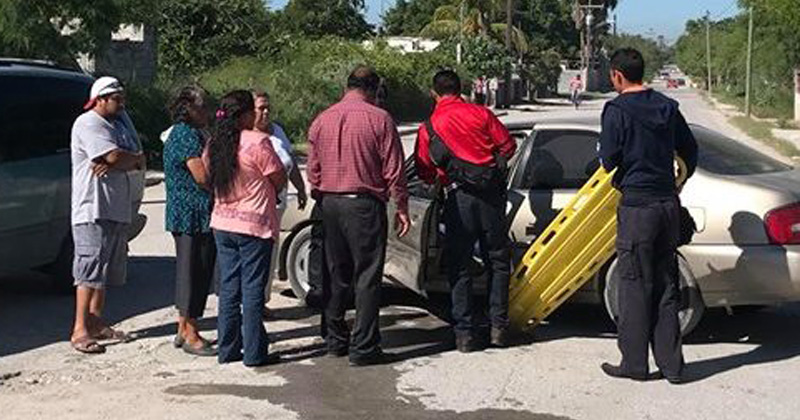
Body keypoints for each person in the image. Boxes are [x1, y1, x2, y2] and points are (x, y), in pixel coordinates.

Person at [598, 48, 698, 384]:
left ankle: (634, 364)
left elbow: (608, 160)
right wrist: (677, 182)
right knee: (666, 284)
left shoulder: (616, 110)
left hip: (638, 208)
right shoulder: (668, 107)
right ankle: (673, 367)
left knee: (634, 286)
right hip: (667, 205)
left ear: (617, 75)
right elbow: (690, 151)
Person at [306, 65, 410, 367]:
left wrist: (323, 195)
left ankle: (335, 339)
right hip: (363, 205)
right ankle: (364, 346)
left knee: (335, 274)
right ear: (373, 89)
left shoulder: (322, 119)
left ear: (347, 86)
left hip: (330, 203)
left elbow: (313, 169)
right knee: (366, 275)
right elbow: (394, 169)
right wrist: (401, 206)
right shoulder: (379, 118)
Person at [415, 70, 516, 352]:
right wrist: (490, 167)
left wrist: (441, 176)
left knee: (459, 266)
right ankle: (498, 328)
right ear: (461, 90)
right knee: (498, 261)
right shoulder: (481, 114)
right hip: (491, 198)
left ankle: (464, 334)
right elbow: (508, 146)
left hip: (457, 200)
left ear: (434, 93)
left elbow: (424, 170)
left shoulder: (429, 126)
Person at [207, 90, 286, 367]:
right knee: (253, 289)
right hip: (254, 224)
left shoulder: (214, 144)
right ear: (246, 114)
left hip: (222, 222)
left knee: (229, 286)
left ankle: (227, 348)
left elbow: (207, 175)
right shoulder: (258, 142)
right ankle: (254, 352)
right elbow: (278, 177)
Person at [70, 76, 145, 354]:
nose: (121, 103)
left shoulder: (119, 124)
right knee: (89, 268)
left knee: (105, 270)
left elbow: (138, 157)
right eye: (116, 98)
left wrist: (127, 159)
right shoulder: (88, 123)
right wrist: (122, 159)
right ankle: (80, 329)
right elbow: (114, 157)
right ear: (100, 99)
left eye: (122, 97)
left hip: (116, 207)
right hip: (93, 208)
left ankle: (96, 321)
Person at [163, 85, 216, 357]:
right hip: (191, 213)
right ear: (188, 108)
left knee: (192, 270)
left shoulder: (191, 132)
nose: (208, 112)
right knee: (195, 272)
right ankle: (191, 332)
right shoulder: (185, 135)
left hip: (193, 212)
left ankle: (183, 326)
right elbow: (202, 176)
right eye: (203, 106)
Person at [252, 90, 308, 318]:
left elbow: (290, 161)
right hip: (255, 205)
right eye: (260, 108)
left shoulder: (277, 131)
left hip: (278, 204)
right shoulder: (246, 136)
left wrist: (300, 188)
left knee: (270, 253)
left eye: (268, 107)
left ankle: (261, 300)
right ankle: (250, 303)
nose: (266, 112)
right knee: (255, 254)